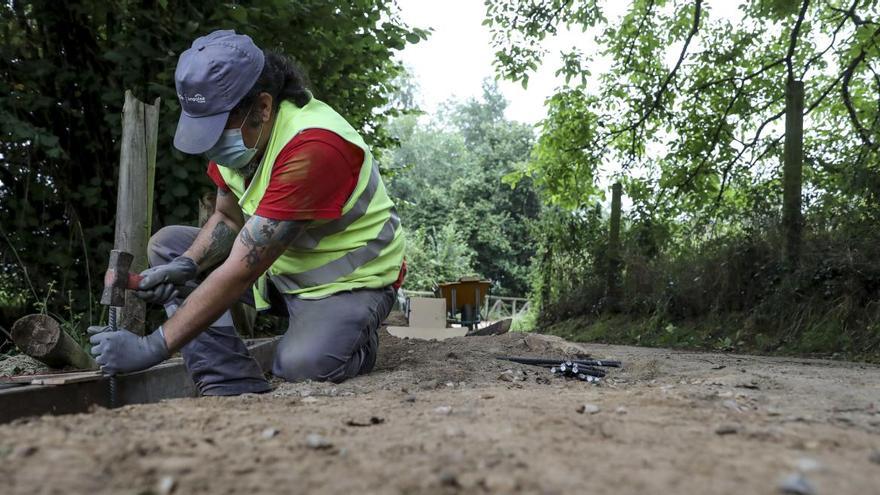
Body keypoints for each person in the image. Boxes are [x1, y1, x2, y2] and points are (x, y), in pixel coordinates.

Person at [89, 30, 406, 395]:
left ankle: (356, 342)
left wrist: (151, 347)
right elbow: (227, 218)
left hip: (348, 284)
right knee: (169, 245)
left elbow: (240, 270)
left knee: (303, 365)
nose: (210, 144)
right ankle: (229, 380)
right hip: (280, 268)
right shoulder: (241, 140)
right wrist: (189, 263)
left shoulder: (314, 148)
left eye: (217, 127)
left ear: (264, 107)